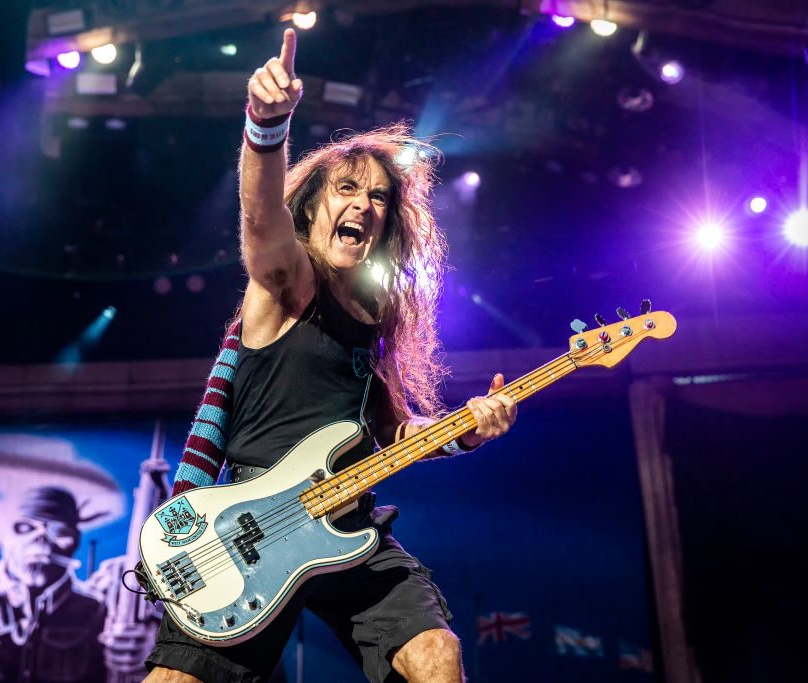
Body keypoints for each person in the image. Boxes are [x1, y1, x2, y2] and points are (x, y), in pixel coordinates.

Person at [145, 29, 517, 683]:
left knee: (437, 654)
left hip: (347, 521)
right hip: (252, 528)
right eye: (347, 189)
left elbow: (391, 432)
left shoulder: (378, 323)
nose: (363, 206)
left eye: (378, 198)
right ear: (314, 206)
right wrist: (266, 126)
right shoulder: (287, 282)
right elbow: (260, 220)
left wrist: (464, 429)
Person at [0, 486, 145, 683]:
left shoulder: (97, 611)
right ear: (6, 536)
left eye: (59, 532)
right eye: (25, 528)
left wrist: (145, 659)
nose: (41, 540)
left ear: (74, 542)